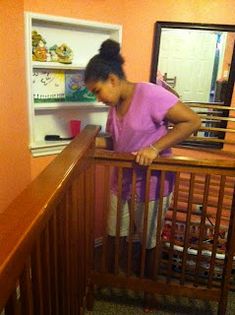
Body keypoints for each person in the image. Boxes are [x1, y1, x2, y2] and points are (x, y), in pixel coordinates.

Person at [84, 39, 201, 310]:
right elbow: (118, 142)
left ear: (112, 79)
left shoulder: (149, 94)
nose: (97, 98)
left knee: (149, 240)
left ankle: (149, 288)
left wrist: (154, 148)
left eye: (97, 91)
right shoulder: (114, 109)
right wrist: (87, 142)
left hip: (152, 185)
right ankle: (113, 277)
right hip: (122, 182)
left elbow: (193, 121)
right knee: (115, 232)